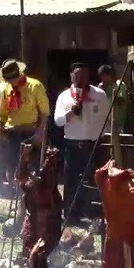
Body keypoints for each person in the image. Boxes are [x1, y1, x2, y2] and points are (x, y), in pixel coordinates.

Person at [54, 63, 109, 225]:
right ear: (71, 75)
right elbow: (58, 121)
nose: (80, 78)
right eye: (77, 75)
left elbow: (107, 118)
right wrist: (71, 112)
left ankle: (94, 215)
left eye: (83, 75)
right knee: (71, 180)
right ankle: (72, 215)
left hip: (94, 144)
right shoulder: (64, 96)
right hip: (72, 143)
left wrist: (104, 138)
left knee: (94, 180)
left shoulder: (99, 95)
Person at [0, 59, 50, 184]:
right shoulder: (6, 90)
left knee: (31, 169)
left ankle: (28, 200)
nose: (9, 82)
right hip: (12, 133)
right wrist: (0, 133)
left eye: (11, 79)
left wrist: (40, 132)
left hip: (30, 132)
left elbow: (44, 112)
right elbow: (2, 114)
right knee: (13, 168)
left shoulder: (35, 86)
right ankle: (17, 195)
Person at [98, 64, 129, 133]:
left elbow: (121, 101)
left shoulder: (119, 84)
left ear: (110, 75)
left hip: (117, 120)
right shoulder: (101, 86)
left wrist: (111, 94)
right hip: (105, 121)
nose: (103, 79)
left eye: (104, 76)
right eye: (101, 77)